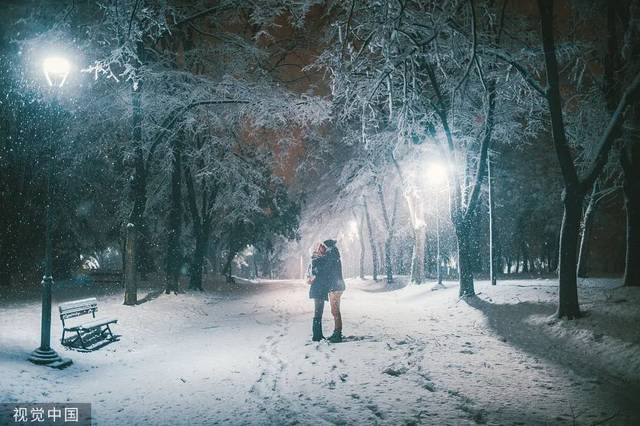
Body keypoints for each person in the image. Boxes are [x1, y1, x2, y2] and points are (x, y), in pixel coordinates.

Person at [323, 239, 346, 343]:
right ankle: (337, 332)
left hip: (334, 288)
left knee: (335, 311)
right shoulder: (336, 257)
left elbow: (327, 271)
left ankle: (337, 334)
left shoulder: (331, 257)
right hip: (339, 286)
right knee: (336, 311)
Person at [307, 242, 329, 341]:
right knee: (318, 313)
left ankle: (318, 335)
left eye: (324, 248)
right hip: (318, 289)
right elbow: (316, 273)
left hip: (320, 289)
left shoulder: (319, 260)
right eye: (321, 248)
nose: (323, 250)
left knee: (319, 313)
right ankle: (316, 336)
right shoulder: (316, 260)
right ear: (318, 250)